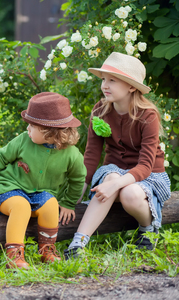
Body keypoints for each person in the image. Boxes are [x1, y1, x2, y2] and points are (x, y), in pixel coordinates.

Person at [64, 52, 171, 260]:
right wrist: (77, 193)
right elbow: (92, 155)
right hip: (114, 170)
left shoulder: (147, 116)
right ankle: (78, 243)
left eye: (112, 80)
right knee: (112, 177)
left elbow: (146, 165)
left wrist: (116, 185)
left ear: (131, 86)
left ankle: (147, 229)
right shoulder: (100, 110)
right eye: (103, 79)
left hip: (149, 175)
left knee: (128, 193)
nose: (105, 85)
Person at [0, 92, 86, 269]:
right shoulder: (23, 141)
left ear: (49, 132)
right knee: (21, 206)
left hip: (42, 194)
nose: (27, 130)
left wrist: (69, 203)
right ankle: (14, 255)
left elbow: (78, 179)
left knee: (50, 205)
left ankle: (47, 250)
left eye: (32, 126)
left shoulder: (72, 155)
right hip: (9, 188)